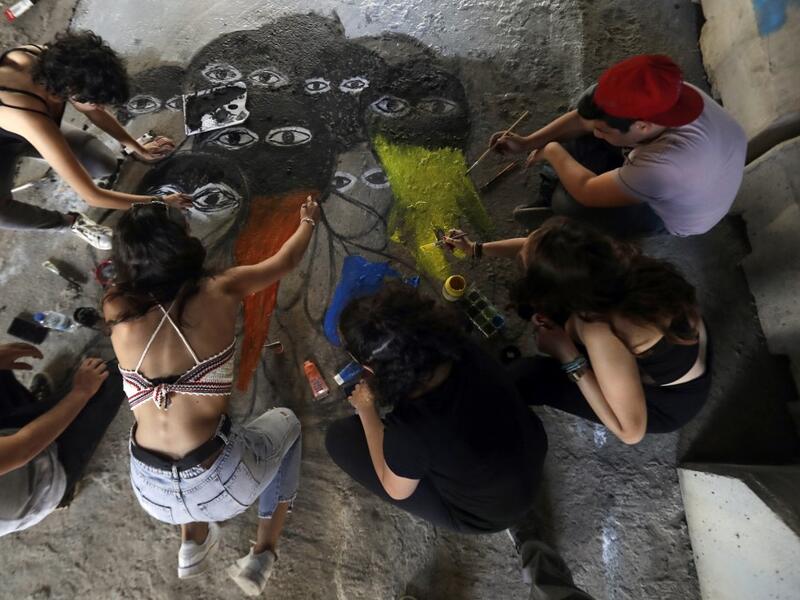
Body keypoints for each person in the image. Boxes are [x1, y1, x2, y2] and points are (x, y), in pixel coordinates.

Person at [103, 196, 319, 595]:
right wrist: (307, 221)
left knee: (179, 453)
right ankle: (263, 554)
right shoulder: (220, 288)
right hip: (226, 480)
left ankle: (192, 540)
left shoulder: (116, 307)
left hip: (151, 492)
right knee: (288, 423)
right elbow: (286, 261)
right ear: (181, 245)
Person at [446, 217, 710, 444]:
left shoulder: (601, 328)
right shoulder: (608, 255)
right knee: (535, 308)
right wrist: (475, 249)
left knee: (529, 376)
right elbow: (533, 248)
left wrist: (567, 355)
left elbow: (631, 432)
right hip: (678, 348)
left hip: (670, 401)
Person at [325, 283, 548, 533]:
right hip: (530, 456)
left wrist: (366, 410)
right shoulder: (465, 347)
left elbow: (395, 490)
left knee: (340, 438)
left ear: (371, 369)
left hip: (491, 514)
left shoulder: (412, 429)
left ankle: (510, 525)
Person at [491, 54, 746, 238]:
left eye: (603, 130)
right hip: (699, 173)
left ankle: (572, 221)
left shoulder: (663, 168)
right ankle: (564, 178)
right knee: (582, 140)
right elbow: (584, 118)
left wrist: (551, 150)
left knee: (567, 205)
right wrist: (527, 142)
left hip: (676, 214)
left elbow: (587, 191)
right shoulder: (664, 96)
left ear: (642, 126)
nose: (597, 133)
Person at [0, 31, 191, 249]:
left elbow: (93, 110)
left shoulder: (50, 62)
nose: (100, 107)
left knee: (102, 163)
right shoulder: (27, 115)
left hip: (26, 126)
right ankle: (70, 223)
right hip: (12, 134)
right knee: (2, 214)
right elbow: (91, 196)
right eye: (96, 101)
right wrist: (161, 203)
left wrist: (136, 147)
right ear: (70, 91)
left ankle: (55, 157)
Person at [0, 343, 123, 537]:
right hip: (35, 476)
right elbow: (24, 447)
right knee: (114, 375)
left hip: (10, 443)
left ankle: (34, 406)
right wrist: (81, 392)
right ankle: (63, 492)